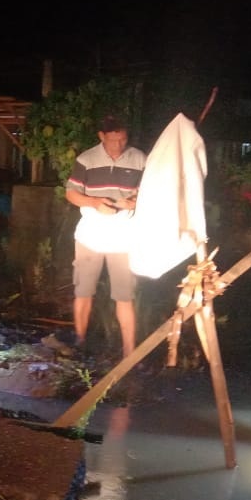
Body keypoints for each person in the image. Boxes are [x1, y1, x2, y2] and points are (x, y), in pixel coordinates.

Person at [65, 114, 147, 357]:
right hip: (90, 236)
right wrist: (94, 202)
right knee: (83, 291)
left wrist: (133, 203)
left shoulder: (140, 159)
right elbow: (71, 193)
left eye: (123, 140)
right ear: (102, 136)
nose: (119, 145)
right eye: (113, 140)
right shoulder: (87, 159)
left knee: (124, 295)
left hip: (124, 238)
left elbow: (148, 194)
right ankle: (79, 341)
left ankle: (129, 352)